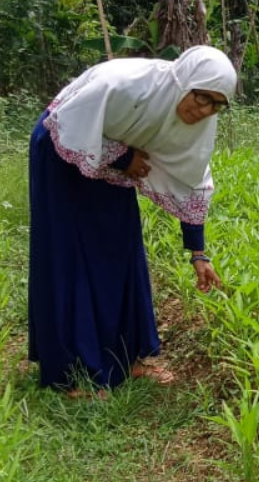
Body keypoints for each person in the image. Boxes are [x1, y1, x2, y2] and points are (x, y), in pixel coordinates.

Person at [27, 45, 237, 396]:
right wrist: (123, 156)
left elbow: (191, 180)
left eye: (217, 105)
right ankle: (70, 373)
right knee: (70, 257)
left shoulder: (201, 121)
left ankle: (125, 358)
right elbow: (69, 120)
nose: (204, 111)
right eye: (202, 98)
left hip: (115, 162)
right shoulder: (126, 84)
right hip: (62, 150)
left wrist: (198, 253)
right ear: (184, 82)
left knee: (120, 252)